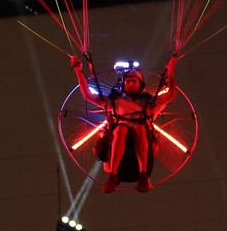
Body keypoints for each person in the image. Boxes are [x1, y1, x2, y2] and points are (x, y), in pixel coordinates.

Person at [71, 55, 178, 193]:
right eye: (127, 81)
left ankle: (143, 176)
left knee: (139, 127)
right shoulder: (113, 102)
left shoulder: (149, 104)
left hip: (141, 147)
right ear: (123, 84)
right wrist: (78, 71)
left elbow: (171, 94)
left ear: (140, 84)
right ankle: (112, 177)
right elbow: (87, 95)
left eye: (134, 81)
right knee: (121, 129)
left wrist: (171, 70)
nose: (131, 83)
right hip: (118, 144)